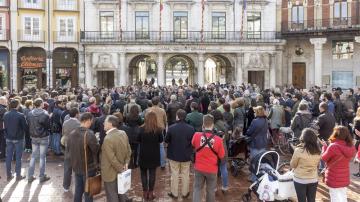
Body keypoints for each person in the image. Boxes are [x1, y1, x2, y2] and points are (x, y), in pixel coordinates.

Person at [67, 112, 100, 202]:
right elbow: (96, 149)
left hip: (76, 166)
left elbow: (68, 150)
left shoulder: (72, 133)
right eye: (91, 121)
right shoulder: (89, 134)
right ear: (88, 120)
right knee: (88, 192)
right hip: (88, 168)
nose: (91, 123)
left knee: (78, 190)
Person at [192, 114, 225, 202]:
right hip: (212, 169)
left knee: (197, 188)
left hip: (199, 167)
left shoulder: (196, 135)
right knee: (210, 191)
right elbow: (222, 155)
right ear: (213, 125)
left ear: (203, 124)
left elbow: (193, 145)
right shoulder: (218, 139)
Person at [101, 115, 132, 202]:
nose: (103, 124)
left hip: (110, 172)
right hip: (122, 169)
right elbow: (129, 150)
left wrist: (121, 169)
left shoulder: (107, 139)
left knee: (112, 196)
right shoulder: (123, 133)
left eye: (105, 122)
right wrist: (126, 164)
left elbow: (112, 159)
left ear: (110, 124)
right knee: (121, 193)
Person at [321, 126, 356, 202]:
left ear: (335, 134)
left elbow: (324, 158)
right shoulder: (351, 146)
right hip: (344, 176)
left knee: (334, 196)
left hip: (333, 176)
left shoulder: (333, 146)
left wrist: (324, 147)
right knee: (343, 195)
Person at [165, 109, 195, 199]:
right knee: (185, 174)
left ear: (177, 116)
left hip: (174, 155)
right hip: (186, 155)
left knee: (174, 174)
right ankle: (185, 193)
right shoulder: (191, 128)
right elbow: (193, 142)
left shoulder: (171, 128)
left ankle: (174, 193)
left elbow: (166, 140)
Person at [137, 111, 164, 201]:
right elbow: (161, 140)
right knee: (152, 174)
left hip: (143, 154)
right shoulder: (158, 130)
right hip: (154, 155)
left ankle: (145, 192)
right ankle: (151, 192)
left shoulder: (141, 129)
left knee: (143, 174)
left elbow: (138, 140)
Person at [290, 128, 321, 202]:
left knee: (301, 200)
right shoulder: (318, 150)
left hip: (300, 179)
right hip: (313, 178)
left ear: (303, 138)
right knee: (311, 199)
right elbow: (318, 165)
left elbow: (293, 165)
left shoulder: (298, 150)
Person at [27, 98, 51, 183]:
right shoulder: (45, 113)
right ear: (41, 104)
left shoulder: (30, 113)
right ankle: (41, 176)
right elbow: (48, 126)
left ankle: (30, 175)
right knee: (42, 157)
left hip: (34, 137)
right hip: (43, 137)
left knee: (33, 156)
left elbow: (28, 124)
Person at [4, 99, 28, 181]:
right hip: (18, 138)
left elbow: (5, 127)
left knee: (9, 157)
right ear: (17, 105)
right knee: (18, 157)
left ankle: (8, 175)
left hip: (9, 138)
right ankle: (18, 175)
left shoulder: (6, 114)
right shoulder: (20, 115)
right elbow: (25, 127)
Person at [245, 106, 269, 182]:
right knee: (260, 160)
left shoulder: (255, 121)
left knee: (254, 161)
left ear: (257, 113)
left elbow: (249, 132)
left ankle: (253, 178)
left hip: (255, 143)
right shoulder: (266, 120)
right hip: (263, 143)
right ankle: (259, 177)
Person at [61, 107, 81, 192]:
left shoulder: (65, 122)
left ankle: (66, 186)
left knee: (67, 168)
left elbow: (63, 133)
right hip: (77, 147)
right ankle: (79, 187)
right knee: (78, 168)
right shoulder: (79, 123)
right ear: (77, 114)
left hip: (67, 146)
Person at [146, 96, 167, 169]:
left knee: (150, 146)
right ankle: (162, 164)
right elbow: (165, 120)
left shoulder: (148, 110)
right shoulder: (162, 110)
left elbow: (146, 120)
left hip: (150, 129)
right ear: (158, 103)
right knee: (161, 147)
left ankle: (151, 162)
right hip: (160, 129)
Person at [0, 96, 7, 161]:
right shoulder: (3, 109)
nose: (7, 102)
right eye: (5, 101)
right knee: (2, 142)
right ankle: (2, 155)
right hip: (2, 128)